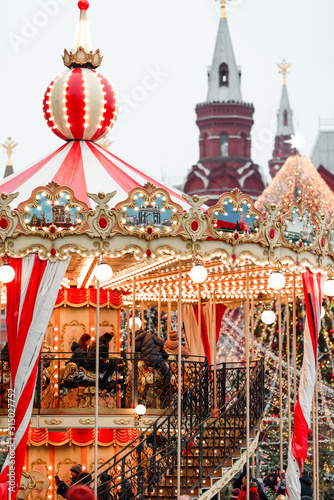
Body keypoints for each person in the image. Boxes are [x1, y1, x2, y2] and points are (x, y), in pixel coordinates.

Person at [135, 323, 171, 407]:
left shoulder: (136, 340)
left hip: (146, 360)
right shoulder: (149, 335)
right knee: (168, 374)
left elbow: (136, 351)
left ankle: (144, 393)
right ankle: (163, 395)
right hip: (156, 359)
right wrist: (159, 340)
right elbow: (162, 343)